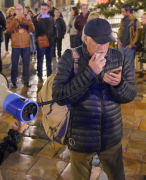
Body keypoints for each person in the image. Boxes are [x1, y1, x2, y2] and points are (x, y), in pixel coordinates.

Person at [52, 18, 137, 180]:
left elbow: (130, 94)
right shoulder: (71, 58)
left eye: (106, 43)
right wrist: (90, 72)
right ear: (85, 39)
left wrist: (119, 85)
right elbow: (59, 96)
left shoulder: (119, 57)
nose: (102, 47)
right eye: (97, 43)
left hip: (111, 135)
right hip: (81, 136)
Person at [7, 4, 35, 88]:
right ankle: (14, 80)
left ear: (23, 10)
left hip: (26, 45)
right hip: (16, 45)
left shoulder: (26, 19)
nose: (19, 11)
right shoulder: (10, 19)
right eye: (17, 9)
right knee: (15, 64)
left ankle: (26, 80)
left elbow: (33, 30)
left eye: (20, 9)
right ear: (15, 10)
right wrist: (15, 19)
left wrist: (30, 21)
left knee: (26, 63)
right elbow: (9, 29)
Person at [117, 4, 141, 79]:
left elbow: (137, 35)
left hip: (130, 48)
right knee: (121, 65)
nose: (122, 13)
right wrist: (119, 40)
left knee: (130, 65)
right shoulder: (123, 20)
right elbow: (120, 30)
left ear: (128, 11)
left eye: (123, 11)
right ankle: (123, 81)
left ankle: (130, 82)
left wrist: (131, 45)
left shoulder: (136, 21)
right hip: (122, 46)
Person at [33, 3, 54, 82]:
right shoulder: (37, 18)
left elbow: (53, 29)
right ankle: (40, 75)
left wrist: (53, 38)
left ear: (48, 10)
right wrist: (37, 20)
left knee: (49, 60)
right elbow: (33, 27)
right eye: (42, 9)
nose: (43, 11)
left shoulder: (51, 18)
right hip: (41, 42)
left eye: (45, 9)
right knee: (40, 59)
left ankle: (49, 75)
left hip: (50, 42)